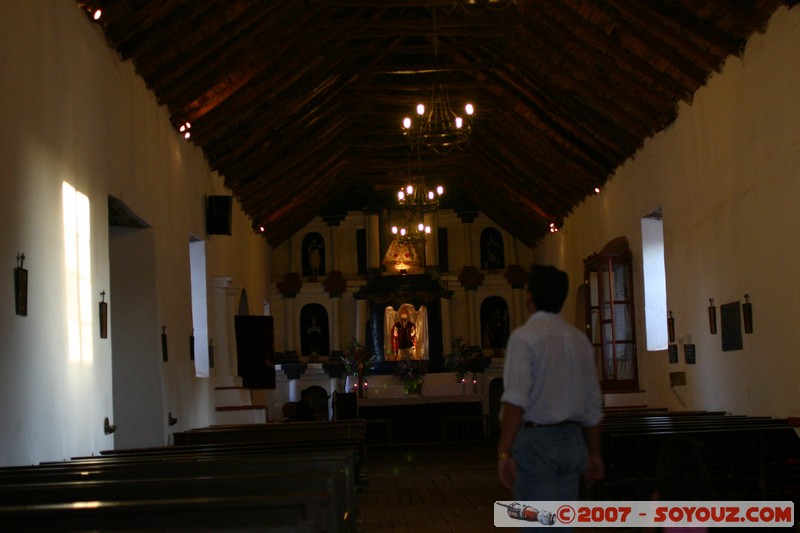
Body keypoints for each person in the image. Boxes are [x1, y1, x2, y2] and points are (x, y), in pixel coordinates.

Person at [497, 265, 604, 529]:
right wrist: (594, 452)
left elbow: (515, 400)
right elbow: (592, 406)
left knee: (537, 525)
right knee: (563, 524)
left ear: (529, 295)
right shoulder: (580, 340)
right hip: (573, 444)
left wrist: (504, 452)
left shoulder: (524, 338)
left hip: (536, 444)